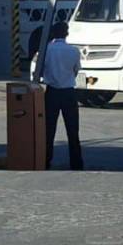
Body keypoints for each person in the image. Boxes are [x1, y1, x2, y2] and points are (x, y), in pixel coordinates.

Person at [40, 21, 83, 170]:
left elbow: (39, 70)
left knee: (48, 129)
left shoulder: (46, 50)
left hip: (51, 92)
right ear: (67, 33)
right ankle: (76, 162)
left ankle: (45, 160)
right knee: (72, 130)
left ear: (52, 34)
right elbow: (75, 70)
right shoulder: (74, 51)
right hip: (69, 92)